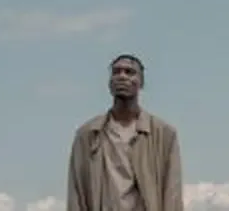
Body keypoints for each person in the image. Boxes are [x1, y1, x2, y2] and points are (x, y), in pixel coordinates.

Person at [66, 54, 184, 211]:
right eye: (116, 72)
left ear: (141, 82)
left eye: (129, 72)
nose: (122, 76)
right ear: (110, 83)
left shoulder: (163, 134)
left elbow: (172, 194)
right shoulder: (88, 135)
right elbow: (76, 194)